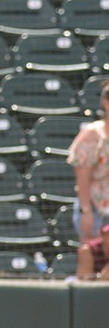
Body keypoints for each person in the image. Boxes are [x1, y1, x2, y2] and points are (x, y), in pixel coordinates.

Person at [67, 80, 109, 239]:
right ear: (106, 103)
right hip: (96, 211)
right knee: (92, 260)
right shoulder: (92, 134)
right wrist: (86, 211)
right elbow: (82, 178)